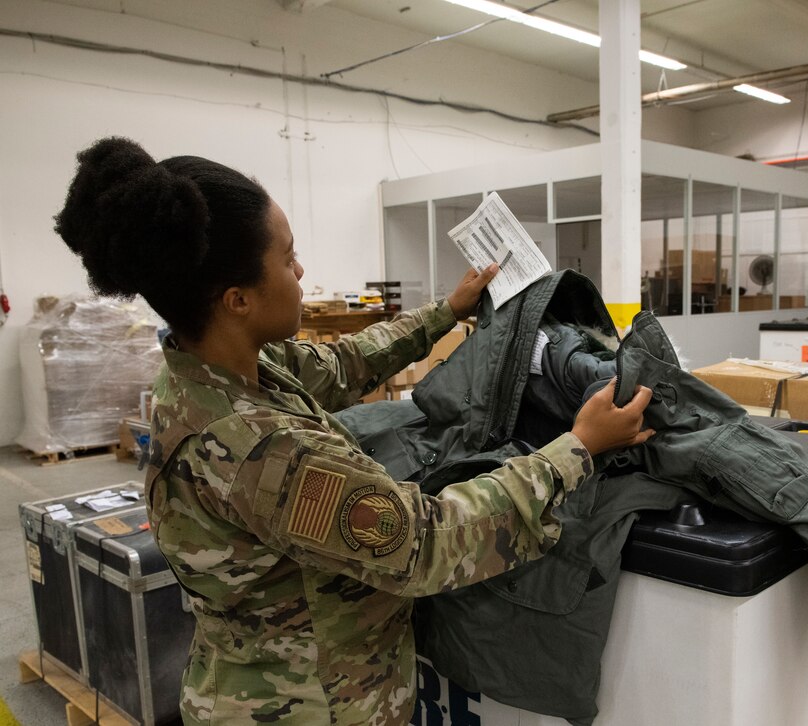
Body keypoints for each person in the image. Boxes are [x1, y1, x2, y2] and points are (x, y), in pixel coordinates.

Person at [54, 137, 654, 726]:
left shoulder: (211, 373)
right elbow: (429, 544)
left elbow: (343, 365)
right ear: (237, 299)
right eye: (287, 258)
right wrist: (576, 449)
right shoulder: (263, 451)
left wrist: (446, 311)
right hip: (310, 707)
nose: (300, 269)